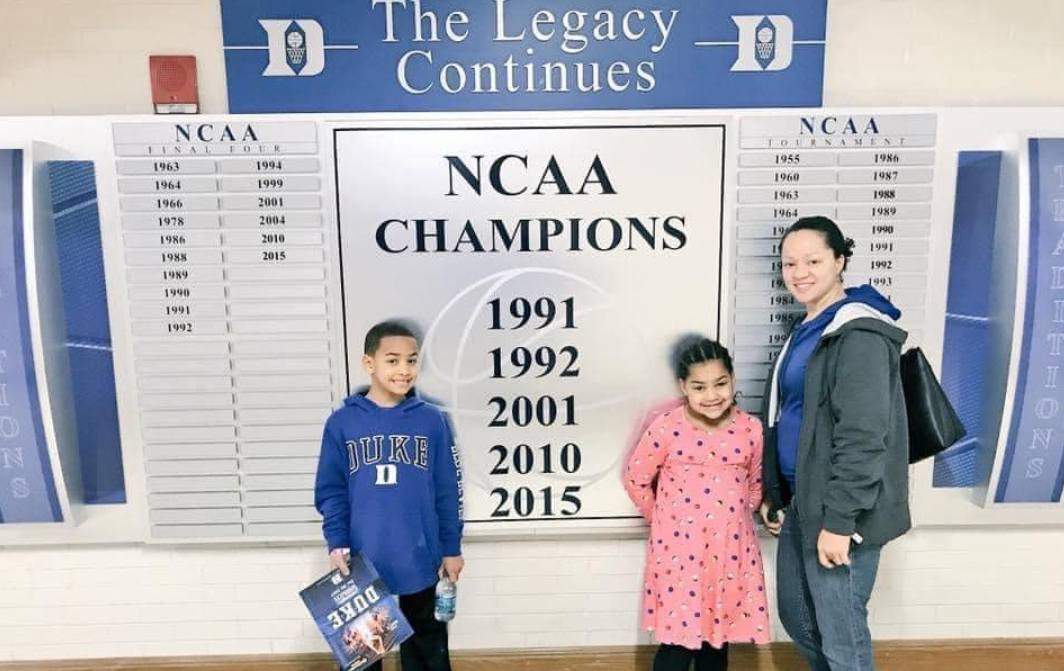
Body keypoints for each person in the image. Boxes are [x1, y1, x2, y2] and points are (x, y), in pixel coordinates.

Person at [758, 216, 911, 671]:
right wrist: (776, 492)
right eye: (789, 263)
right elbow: (789, 416)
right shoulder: (808, 329)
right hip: (803, 502)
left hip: (839, 508)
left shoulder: (859, 333)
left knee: (842, 635)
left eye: (813, 260)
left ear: (840, 260)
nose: (799, 272)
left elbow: (864, 436)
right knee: (800, 618)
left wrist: (841, 520)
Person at [315, 320, 464, 671]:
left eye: (412, 360)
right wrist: (336, 542)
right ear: (370, 364)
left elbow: (447, 490)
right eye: (393, 360)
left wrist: (451, 547)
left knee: (426, 649)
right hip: (363, 555)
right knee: (363, 656)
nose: (404, 370)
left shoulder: (431, 421)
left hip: (421, 553)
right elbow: (332, 490)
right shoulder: (342, 422)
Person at [624, 337, 769, 671]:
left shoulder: (751, 428)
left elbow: (755, 482)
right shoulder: (667, 428)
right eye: (699, 387)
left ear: (733, 379)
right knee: (677, 643)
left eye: (720, 384)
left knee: (716, 642)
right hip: (679, 557)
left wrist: (735, 518)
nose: (712, 395)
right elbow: (636, 479)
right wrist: (663, 520)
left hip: (730, 553)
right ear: (683, 387)